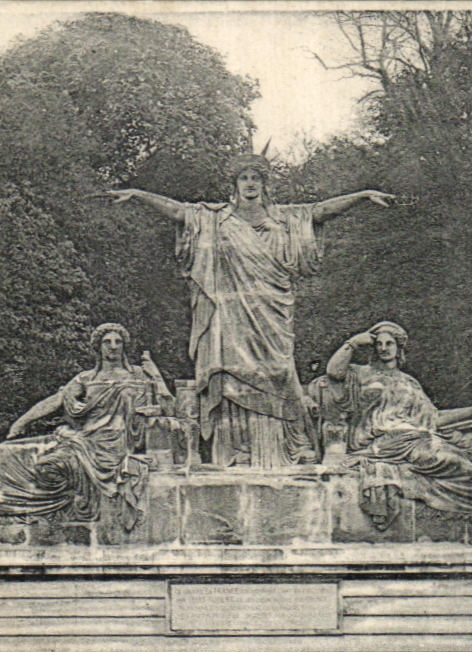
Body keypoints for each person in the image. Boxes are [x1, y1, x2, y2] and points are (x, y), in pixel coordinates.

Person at [107, 156, 393, 468]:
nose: (250, 183)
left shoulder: (285, 218)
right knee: (231, 374)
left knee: (280, 372)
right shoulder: (214, 219)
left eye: (255, 177)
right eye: (243, 177)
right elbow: (178, 211)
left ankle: (288, 447)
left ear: (264, 183)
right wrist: (138, 195)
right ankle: (236, 451)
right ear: (235, 184)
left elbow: (320, 211)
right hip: (230, 312)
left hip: (272, 309)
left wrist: (361, 196)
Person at [324, 322, 472, 529]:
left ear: (399, 348)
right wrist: (352, 343)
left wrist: (471, 411)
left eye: (389, 343)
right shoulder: (362, 373)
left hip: (415, 438)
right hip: (382, 443)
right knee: (449, 459)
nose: (383, 348)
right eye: (379, 344)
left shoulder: (410, 383)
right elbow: (334, 372)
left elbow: (433, 418)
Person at [0, 323, 171, 530]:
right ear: (98, 347)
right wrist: (21, 422)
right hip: (84, 440)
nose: (113, 346)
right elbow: (56, 400)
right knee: (8, 451)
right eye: (107, 342)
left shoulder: (138, 375)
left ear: (125, 346)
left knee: (49, 465)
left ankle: (44, 514)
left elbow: (169, 408)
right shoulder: (87, 378)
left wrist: (156, 377)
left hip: (118, 446)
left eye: (118, 342)